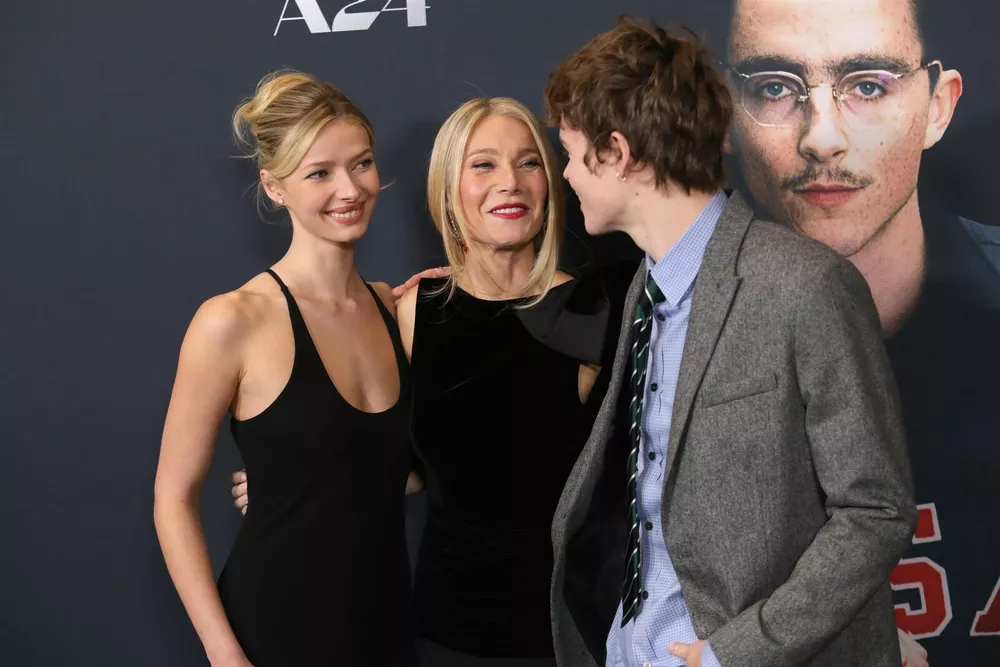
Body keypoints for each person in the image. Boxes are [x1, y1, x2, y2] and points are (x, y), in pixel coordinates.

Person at [544, 16, 917, 667]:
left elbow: (875, 509)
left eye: (573, 154)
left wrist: (733, 653)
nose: (567, 176)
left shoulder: (805, 284)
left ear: (618, 152)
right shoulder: (645, 289)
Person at [231, 96, 636, 666]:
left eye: (528, 162)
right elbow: (414, 464)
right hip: (443, 634)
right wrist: (302, 480)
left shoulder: (601, 310)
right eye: (483, 164)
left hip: (572, 637)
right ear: (448, 190)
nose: (510, 182)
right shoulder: (411, 311)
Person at [718, 0, 1000, 663]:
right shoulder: (664, 338)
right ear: (725, 111)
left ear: (938, 107)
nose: (822, 138)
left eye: (869, 85)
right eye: (775, 88)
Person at [153, 70, 424, 666]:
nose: (350, 189)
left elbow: (412, 466)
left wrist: (309, 480)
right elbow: (172, 498)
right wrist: (224, 654)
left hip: (386, 630)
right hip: (272, 633)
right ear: (275, 188)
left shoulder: (396, 308)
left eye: (361, 163)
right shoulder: (233, 320)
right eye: (319, 173)